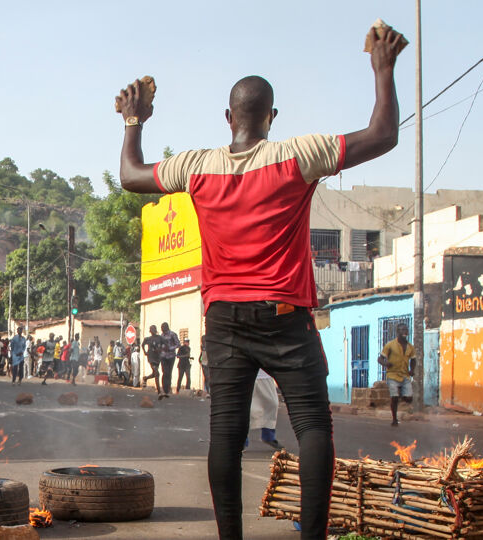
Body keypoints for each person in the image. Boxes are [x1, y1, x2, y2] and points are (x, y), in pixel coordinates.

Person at [115, 22, 405, 538]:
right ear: (271, 117)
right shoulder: (297, 155)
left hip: (224, 319)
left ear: (228, 118)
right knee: (312, 426)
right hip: (285, 317)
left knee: (226, 434)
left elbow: (131, 175)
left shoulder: (197, 165)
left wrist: (134, 120)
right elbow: (382, 134)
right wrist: (383, 68)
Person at [378, 323, 415, 426]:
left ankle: (401, 395)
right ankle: (394, 419)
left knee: (409, 398)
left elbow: (413, 359)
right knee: (394, 398)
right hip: (392, 374)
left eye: (406, 330)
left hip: (405, 375)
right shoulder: (390, 345)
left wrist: (412, 370)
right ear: (397, 332)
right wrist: (385, 363)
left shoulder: (410, 347)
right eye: (402, 330)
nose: (405, 332)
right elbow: (380, 358)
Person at [248, 371, 283, 450]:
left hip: (265, 375)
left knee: (273, 404)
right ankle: (242, 441)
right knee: (246, 408)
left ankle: (268, 437)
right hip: (246, 375)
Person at [141, 326, 163, 393]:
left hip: (157, 357)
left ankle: (145, 378)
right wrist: (145, 352)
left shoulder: (159, 338)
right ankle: (159, 390)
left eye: (154, 329)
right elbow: (142, 344)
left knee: (154, 373)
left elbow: (164, 345)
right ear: (150, 331)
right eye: (151, 330)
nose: (153, 331)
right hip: (151, 357)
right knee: (157, 373)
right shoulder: (148, 339)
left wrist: (160, 350)